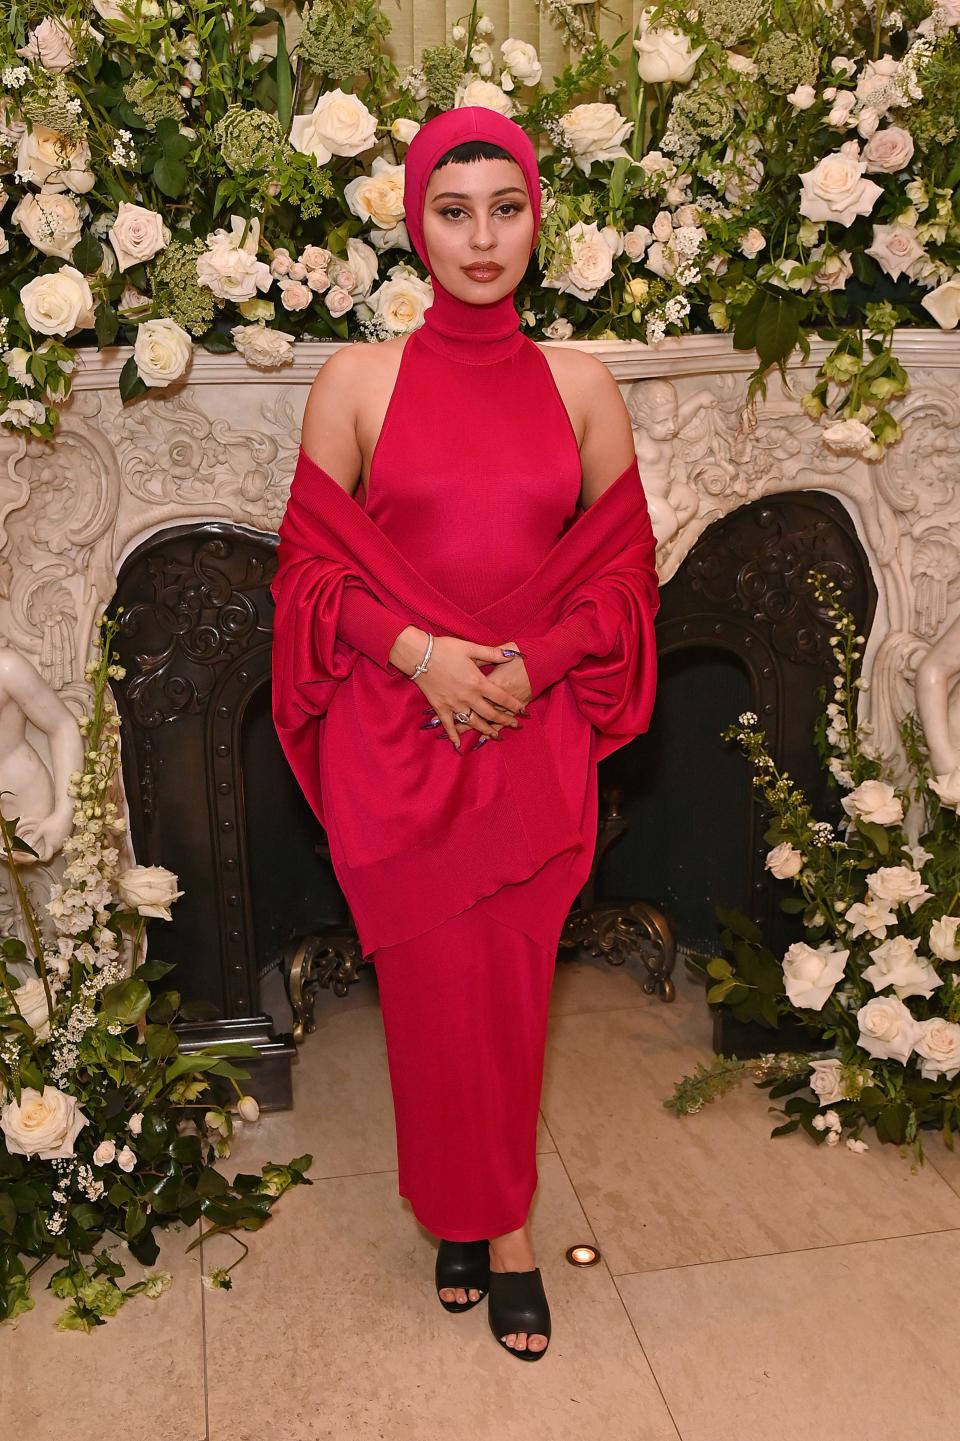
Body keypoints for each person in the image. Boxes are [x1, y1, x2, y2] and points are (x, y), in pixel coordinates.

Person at [270, 105, 660, 1363]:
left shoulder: (584, 385)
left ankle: (500, 1229)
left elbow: (622, 582)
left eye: (506, 208)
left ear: (539, 219)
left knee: (511, 997)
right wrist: (424, 655)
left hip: (532, 741)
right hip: (395, 740)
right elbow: (309, 583)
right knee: (433, 1001)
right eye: (454, 210)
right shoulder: (355, 381)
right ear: (412, 223)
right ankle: (466, 1214)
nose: (481, 237)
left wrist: (532, 665)